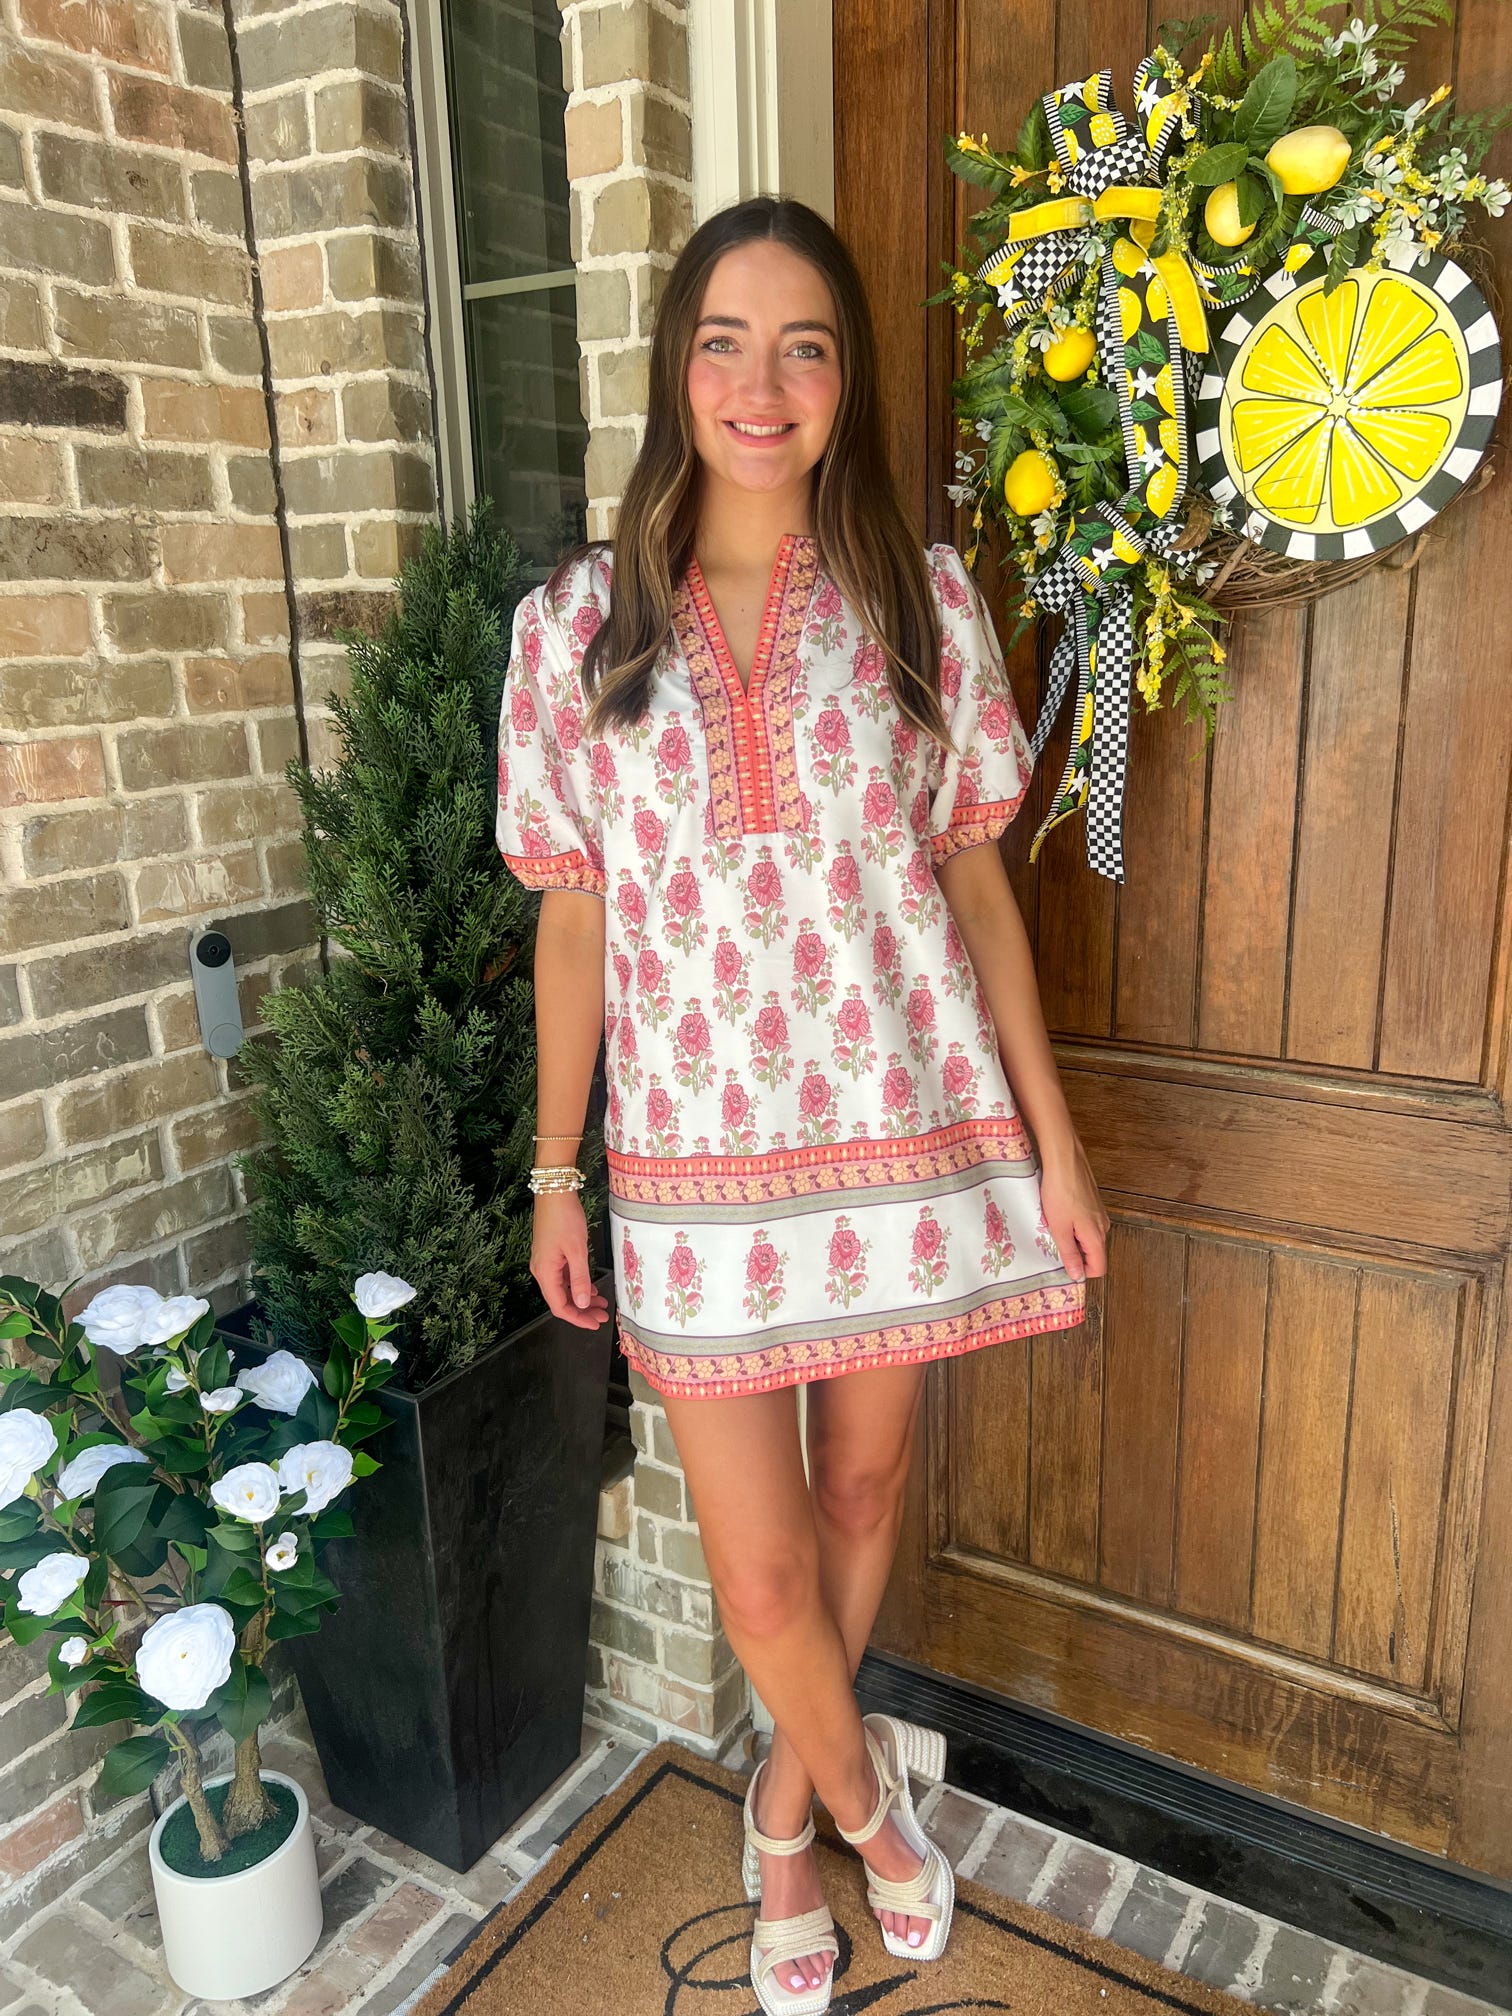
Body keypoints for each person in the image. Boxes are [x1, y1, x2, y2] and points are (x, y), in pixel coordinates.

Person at [496, 194, 1109, 2016]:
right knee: (759, 1576)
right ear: (676, 367)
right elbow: (573, 934)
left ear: (846, 380)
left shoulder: (921, 608)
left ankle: (776, 1810)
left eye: (806, 344)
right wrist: (557, 1175)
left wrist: (1056, 1144)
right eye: (724, 342)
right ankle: (856, 1816)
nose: (762, 384)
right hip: (688, 1174)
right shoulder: (575, 635)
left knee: (867, 1482)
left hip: (902, 1143)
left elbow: (982, 891)